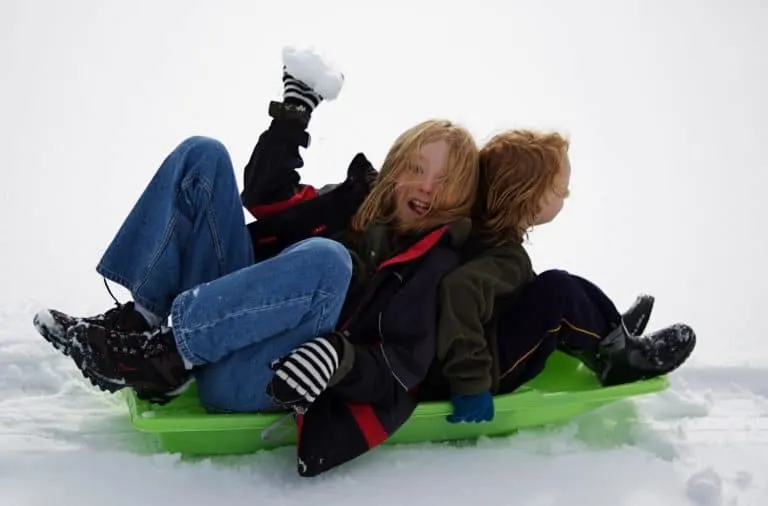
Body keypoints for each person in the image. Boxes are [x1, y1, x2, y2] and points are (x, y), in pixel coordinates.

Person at [33, 46, 481, 477]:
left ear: (459, 195)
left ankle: (168, 356)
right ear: (396, 167)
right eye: (417, 169)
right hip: (223, 327)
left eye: (443, 181)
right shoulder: (353, 207)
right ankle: (145, 324)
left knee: (329, 261)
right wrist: (294, 114)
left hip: (260, 375)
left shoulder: (436, 265)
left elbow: (399, 369)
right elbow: (268, 196)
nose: (425, 187)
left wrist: (338, 359)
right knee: (202, 154)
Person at [426, 129, 696, 423]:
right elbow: (460, 291)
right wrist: (470, 384)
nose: (565, 197)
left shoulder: (483, 237)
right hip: (474, 374)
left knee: (546, 285)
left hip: (461, 360)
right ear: (527, 198)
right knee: (556, 289)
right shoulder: (499, 255)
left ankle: (609, 331)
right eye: (560, 192)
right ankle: (621, 359)